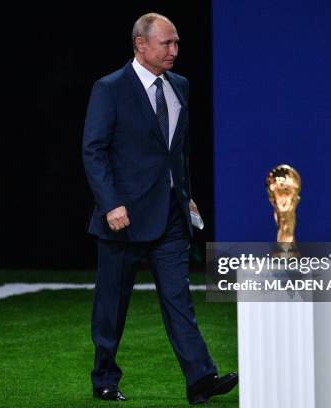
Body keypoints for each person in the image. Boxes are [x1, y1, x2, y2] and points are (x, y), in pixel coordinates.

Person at [82, 12, 238, 404]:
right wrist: (110, 204)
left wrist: (183, 192)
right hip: (124, 218)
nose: (174, 50)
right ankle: (104, 377)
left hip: (170, 214)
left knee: (178, 299)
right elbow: (94, 150)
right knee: (112, 305)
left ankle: (200, 378)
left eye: (177, 42)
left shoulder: (180, 86)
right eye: (166, 43)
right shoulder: (110, 88)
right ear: (140, 44)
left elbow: (177, 150)